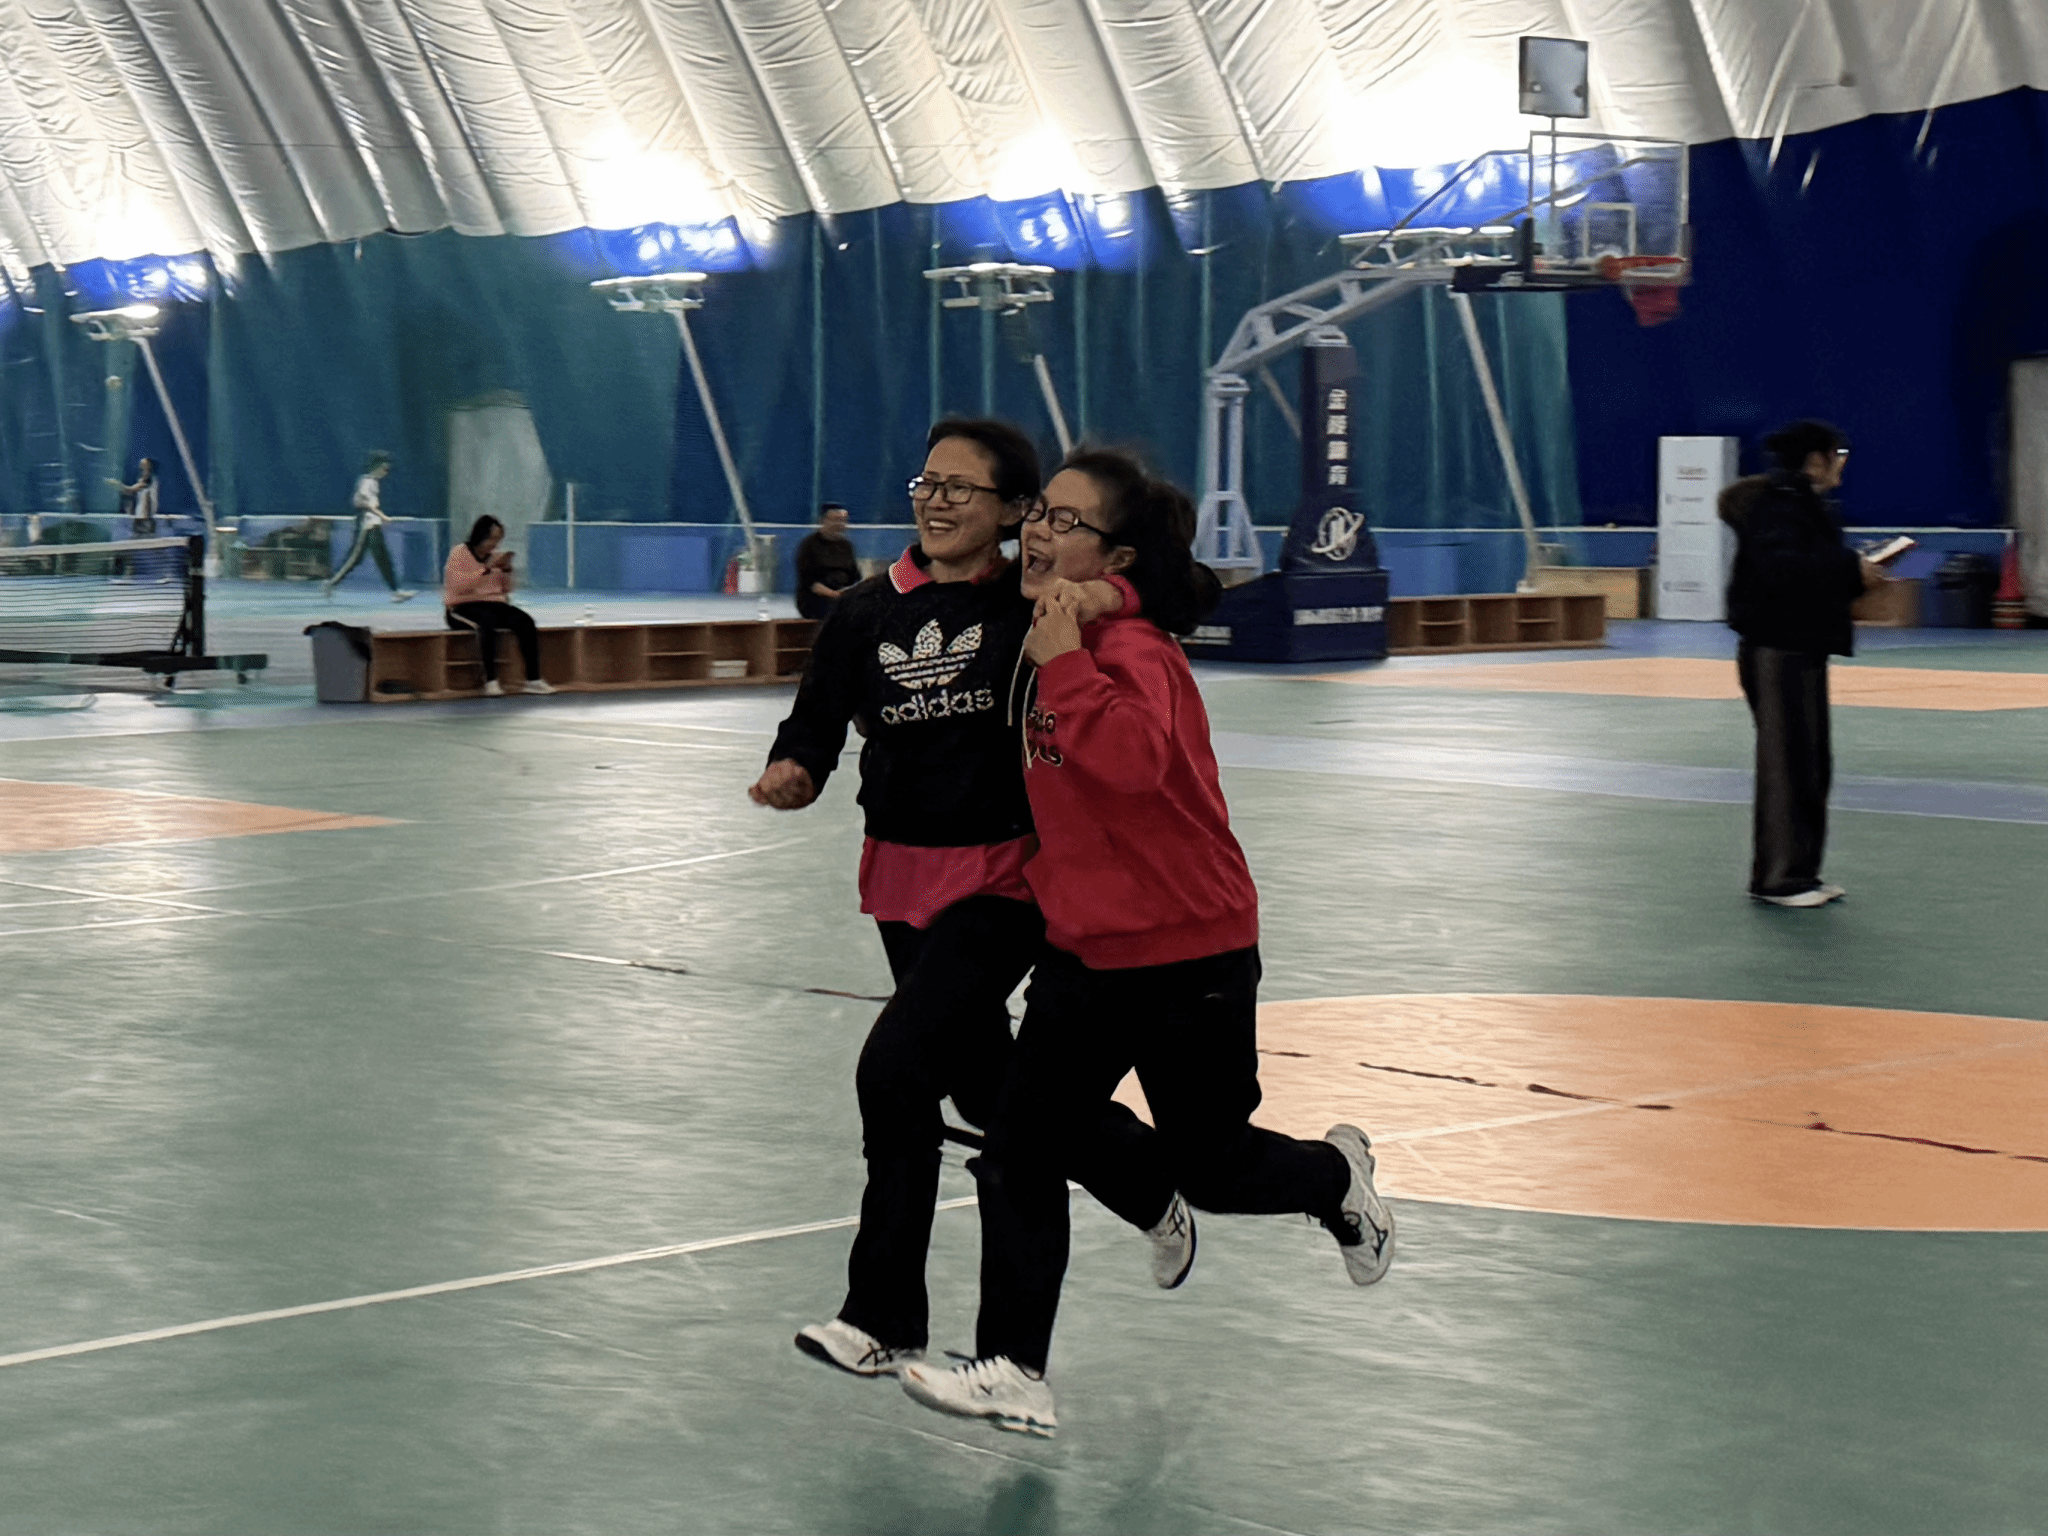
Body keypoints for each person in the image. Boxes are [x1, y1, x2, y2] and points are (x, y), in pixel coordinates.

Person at [900, 448, 1395, 1438]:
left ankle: (1335, 1179)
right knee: (1015, 1154)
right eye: (1038, 512)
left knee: (1212, 1168)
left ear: (1115, 554)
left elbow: (1130, 764)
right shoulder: (1058, 622)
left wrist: (1071, 658)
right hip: (1084, 953)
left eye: (1065, 521)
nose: (1038, 530)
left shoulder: (1135, 656)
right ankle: (1014, 1370)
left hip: (1188, 953)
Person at [750, 419, 1182, 1383]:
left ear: (1015, 510)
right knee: (987, 1089)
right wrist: (796, 767)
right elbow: (816, 717)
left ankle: (882, 1317)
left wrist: (1101, 589)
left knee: (894, 1071)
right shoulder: (866, 612)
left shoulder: (1032, 605)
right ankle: (1144, 1177)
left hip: (1004, 880)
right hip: (900, 874)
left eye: (961, 488)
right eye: (927, 485)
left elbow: (1167, 597)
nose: (937, 502)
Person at [1720, 420, 1882, 908]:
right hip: (1776, 647)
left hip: (1803, 644)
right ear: (1815, 460)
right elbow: (1782, 570)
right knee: (1787, 764)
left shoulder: (1804, 505)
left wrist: (1855, 575)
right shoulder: (1777, 507)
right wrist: (1850, 569)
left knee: (1810, 764)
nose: (1842, 466)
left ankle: (1802, 872)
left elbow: (1809, 571)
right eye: (1838, 455)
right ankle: (1777, 879)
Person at [444, 515, 555, 697]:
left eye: (498, 539)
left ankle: (533, 679)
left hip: (494, 604)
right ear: (480, 536)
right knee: (486, 623)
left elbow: (506, 589)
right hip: (462, 606)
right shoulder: (460, 553)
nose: (495, 544)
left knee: (525, 621)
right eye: (492, 539)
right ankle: (491, 681)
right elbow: (458, 586)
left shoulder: (496, 556)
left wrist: (506, 571)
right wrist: (486, 570)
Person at [326, 452, 416, 602]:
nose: (386, 472)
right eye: (384, 468)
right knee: (356, 557)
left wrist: (379, 517)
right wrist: (381, 515)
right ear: (377, 467)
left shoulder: (374, 483)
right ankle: (331, 582)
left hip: (373, 524)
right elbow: (360, 502)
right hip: (366, 524)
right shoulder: (366, 481)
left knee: (379, 558)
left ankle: (396, 591)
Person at [794, 503, 861, 620]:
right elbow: (810, 582)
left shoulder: (846, 546)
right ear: (823, 521)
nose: (839, 525)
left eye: (842, 521)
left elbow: (855, 577)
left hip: (842, 596)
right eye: (835, 520)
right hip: (816, 599)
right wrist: (834, 594)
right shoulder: (809, 545)